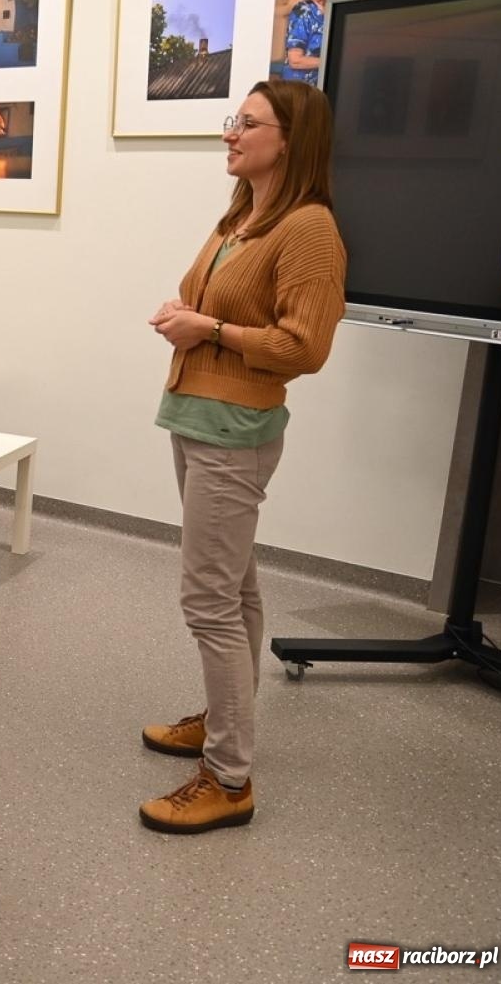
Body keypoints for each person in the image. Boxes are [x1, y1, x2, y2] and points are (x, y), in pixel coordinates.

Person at [142, 79, 347, 834]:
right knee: (236, 588)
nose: (231, 133)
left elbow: (306, 346)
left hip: (234, 430)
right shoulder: (244, 217)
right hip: (199, 417)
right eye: (234, 120)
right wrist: (183, 312)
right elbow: (216, 305)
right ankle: (228, 722)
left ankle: (229, 776)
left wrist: (211, 331)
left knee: (208, 601)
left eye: (247, 123)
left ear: (289, 139)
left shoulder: (311, 229)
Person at [282, 0, 343, 84]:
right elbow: (295, 60)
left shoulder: (337, 11)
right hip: (299, 88)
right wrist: (334, 62)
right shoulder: (302, 11)